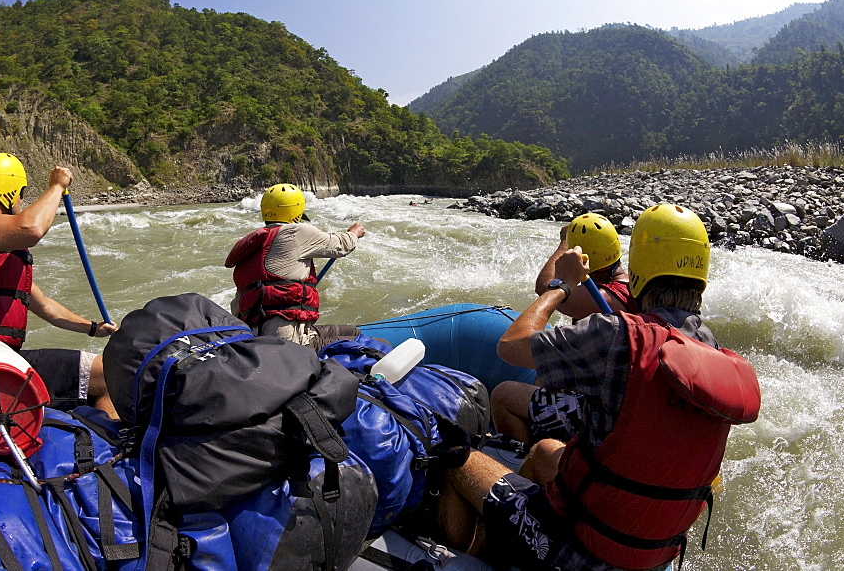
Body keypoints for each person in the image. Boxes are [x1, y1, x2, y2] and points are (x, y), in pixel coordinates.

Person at [436, 203, 761, 570]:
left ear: (640, 267)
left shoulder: (617, 336)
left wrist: (562, 287)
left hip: (588, 546)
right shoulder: (716, 353)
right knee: (544, 450)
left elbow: (511, 345)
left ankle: (477, 557)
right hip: (652, 551)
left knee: (454, 456)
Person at [0, 153, 117, 413]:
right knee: (108, 376)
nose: (22, 201)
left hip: (3, 366)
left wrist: (94, 328)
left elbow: (46, 307)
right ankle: (110, 449)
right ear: (10, 191)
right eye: (21, 193)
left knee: (103, 372)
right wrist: (57, 187)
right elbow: (32, 229)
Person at [492, 213, 640, 446]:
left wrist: (565, 244)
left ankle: (525, 462)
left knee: (502, 396)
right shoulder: (631, 285)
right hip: (613, 394)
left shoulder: (602, 298)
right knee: (544, 374)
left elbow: (546, 288)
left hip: (597, 407)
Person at [225, 182, 366, 351]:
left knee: (353, 331)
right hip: (289, 343)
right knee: (366, 344)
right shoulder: (296, 232)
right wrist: (354, 232)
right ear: (297, 210)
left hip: (256, 337)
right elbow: (341, 245)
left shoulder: (256, 243)